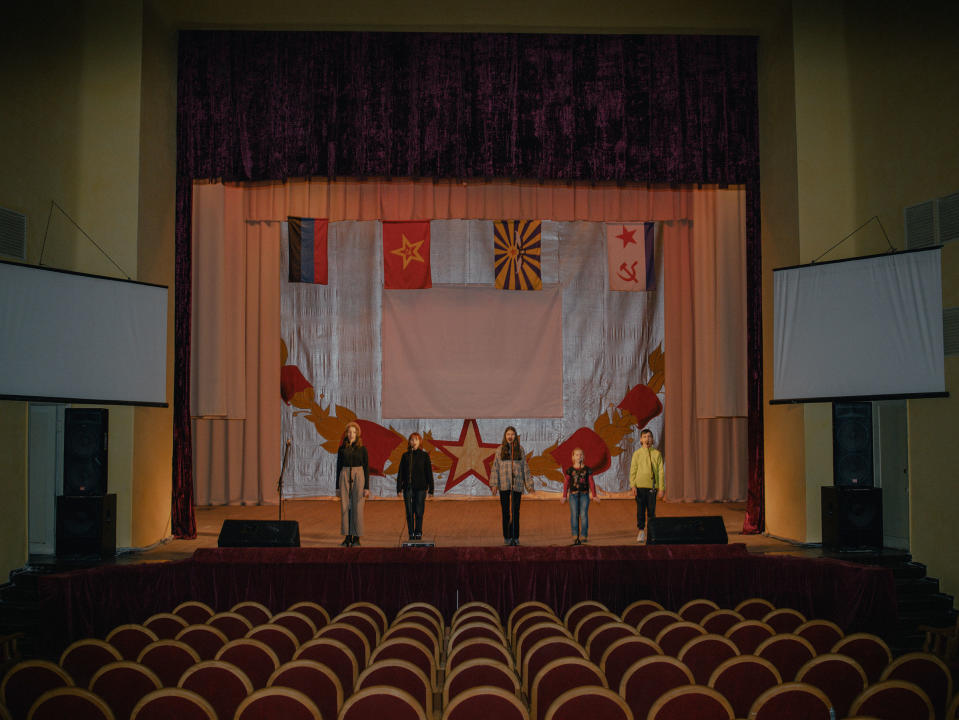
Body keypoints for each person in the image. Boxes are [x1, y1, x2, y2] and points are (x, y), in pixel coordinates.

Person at [489, 426, 532, 546]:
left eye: (512, 434)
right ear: (505, 436)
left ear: (515, 436)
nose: (510, 436)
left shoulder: (520, 450)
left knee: (515, 511)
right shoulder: (499, 450)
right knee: (505, 511)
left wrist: (529, 484)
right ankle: (507, 536)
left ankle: (515, 536)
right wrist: (494, 484)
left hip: (516, 484)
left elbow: (525, 467)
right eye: (508, 434)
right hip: (503, 485)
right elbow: (495, 468)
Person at [336, 421, 369, 547]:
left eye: (353, 432)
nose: (351, 434)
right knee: (345, 506)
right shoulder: (342, 448)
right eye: (349, 432)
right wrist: (337, 487)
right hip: (344, 475)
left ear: (357, 434)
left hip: (358, 475)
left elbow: (366, 468)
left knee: (357, 507)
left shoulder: (362, 449)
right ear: (346, 433)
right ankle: (347, 536)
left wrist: (366, 487)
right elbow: (338, 467)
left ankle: (356, 537)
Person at [396, 432, 434, 541]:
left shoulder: (424, 456)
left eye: (416, 439)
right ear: (409, 442)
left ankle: (418, 532)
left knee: (419, 511)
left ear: (420, 441)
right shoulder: (406, 456)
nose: (414, 442)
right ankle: (411, 533)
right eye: (412, 440)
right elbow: (401, 473)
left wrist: (431, 489)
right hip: (408, 488)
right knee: (409, 511)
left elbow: (429, 473)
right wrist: (399, 488)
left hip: (421, 488)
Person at [629, 427, 664, 543]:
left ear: (652, 439)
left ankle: (652, 531)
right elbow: (633, 470)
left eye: (649, 436)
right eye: (644, 437)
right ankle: (641, 531)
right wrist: (633, 485)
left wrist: (661, 488)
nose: (647, 439)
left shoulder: (657, 454)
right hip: (639, 487)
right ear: (640, 440)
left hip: (652, 487)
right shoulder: (637, 454)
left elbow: (660, 472)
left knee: (651, 510)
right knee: (640, 510)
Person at [561, 447, 598, 545]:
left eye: (581, 454)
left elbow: (591, 482)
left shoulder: (587, 469)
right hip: (573, 495)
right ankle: (575, 533)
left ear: (584, 457)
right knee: (574, 515)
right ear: (573, 457)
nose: (579, 456)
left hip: (584, 495)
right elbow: (566, 483)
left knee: (583, 514)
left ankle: (584, 534)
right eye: (576, 455)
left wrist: (594, 495)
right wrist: (564, 495)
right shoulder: (570, 470)